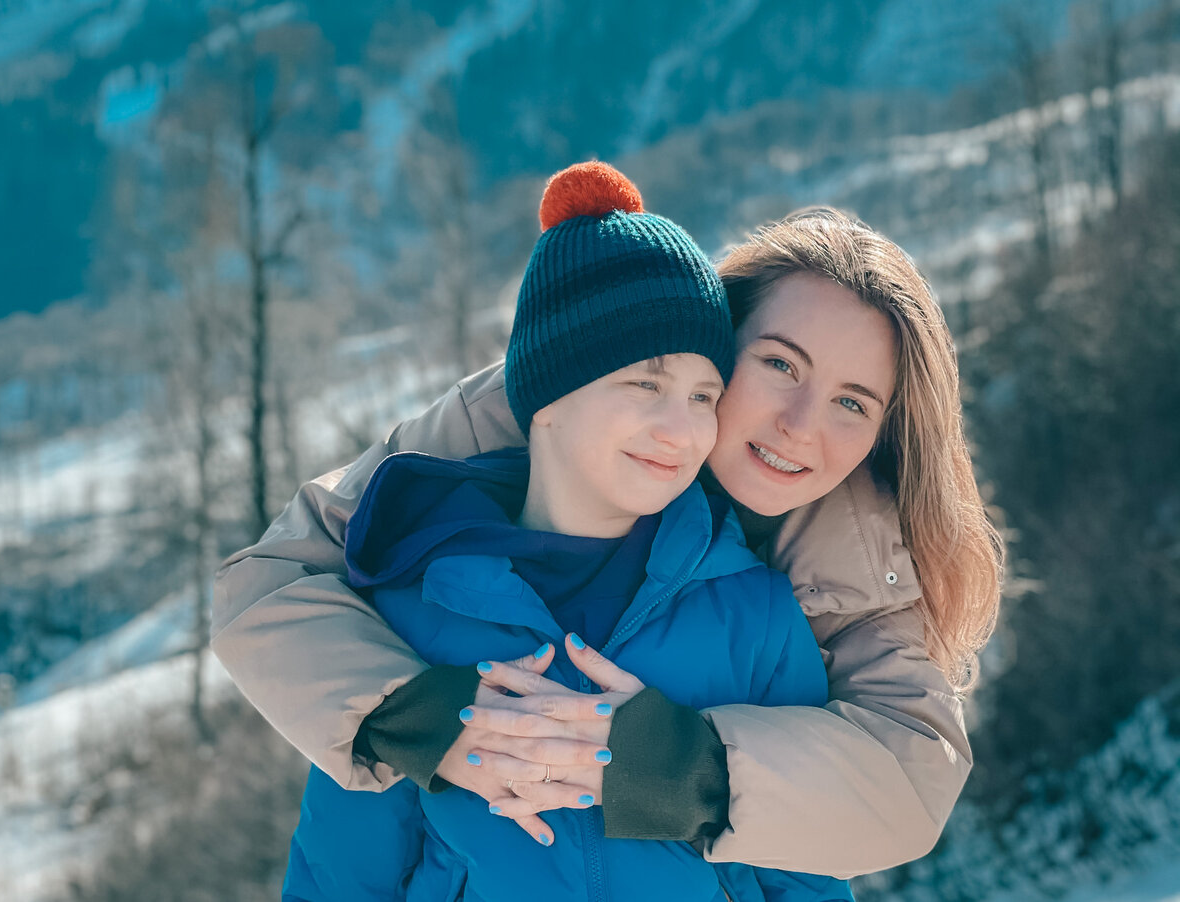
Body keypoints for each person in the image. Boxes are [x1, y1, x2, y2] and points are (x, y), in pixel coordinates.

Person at [211, 178, 1002, 878]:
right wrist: (431, 724)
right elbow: (270, 585)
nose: (801, 426)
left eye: (853, 402)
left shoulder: (834, 564)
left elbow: (909, 778)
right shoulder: (535, 400)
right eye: (780, 365)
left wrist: (675, 765)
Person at [282, 160, 852, 901]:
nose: (682, 429)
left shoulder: (758, 619)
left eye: (704, 395)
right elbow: (341, 879)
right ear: (550, 394)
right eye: (645, 384)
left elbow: (805, 874)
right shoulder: (413, 613)